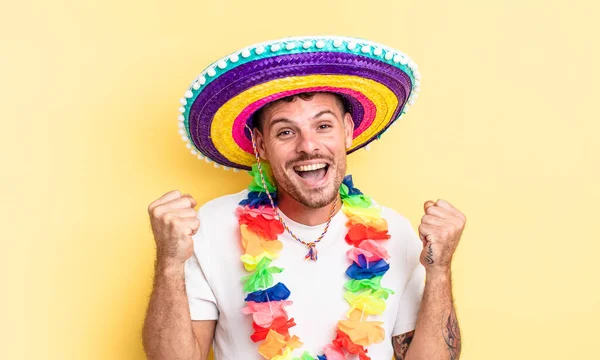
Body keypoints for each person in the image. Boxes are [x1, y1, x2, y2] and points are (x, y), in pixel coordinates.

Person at [142, 36, 466, 360]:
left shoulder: (395, 232)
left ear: (348, 130)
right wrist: (170, 263)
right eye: (285, 131)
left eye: (323, 125)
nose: (308, 146)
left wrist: (439, 270)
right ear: (261, 144)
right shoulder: (211, 227)